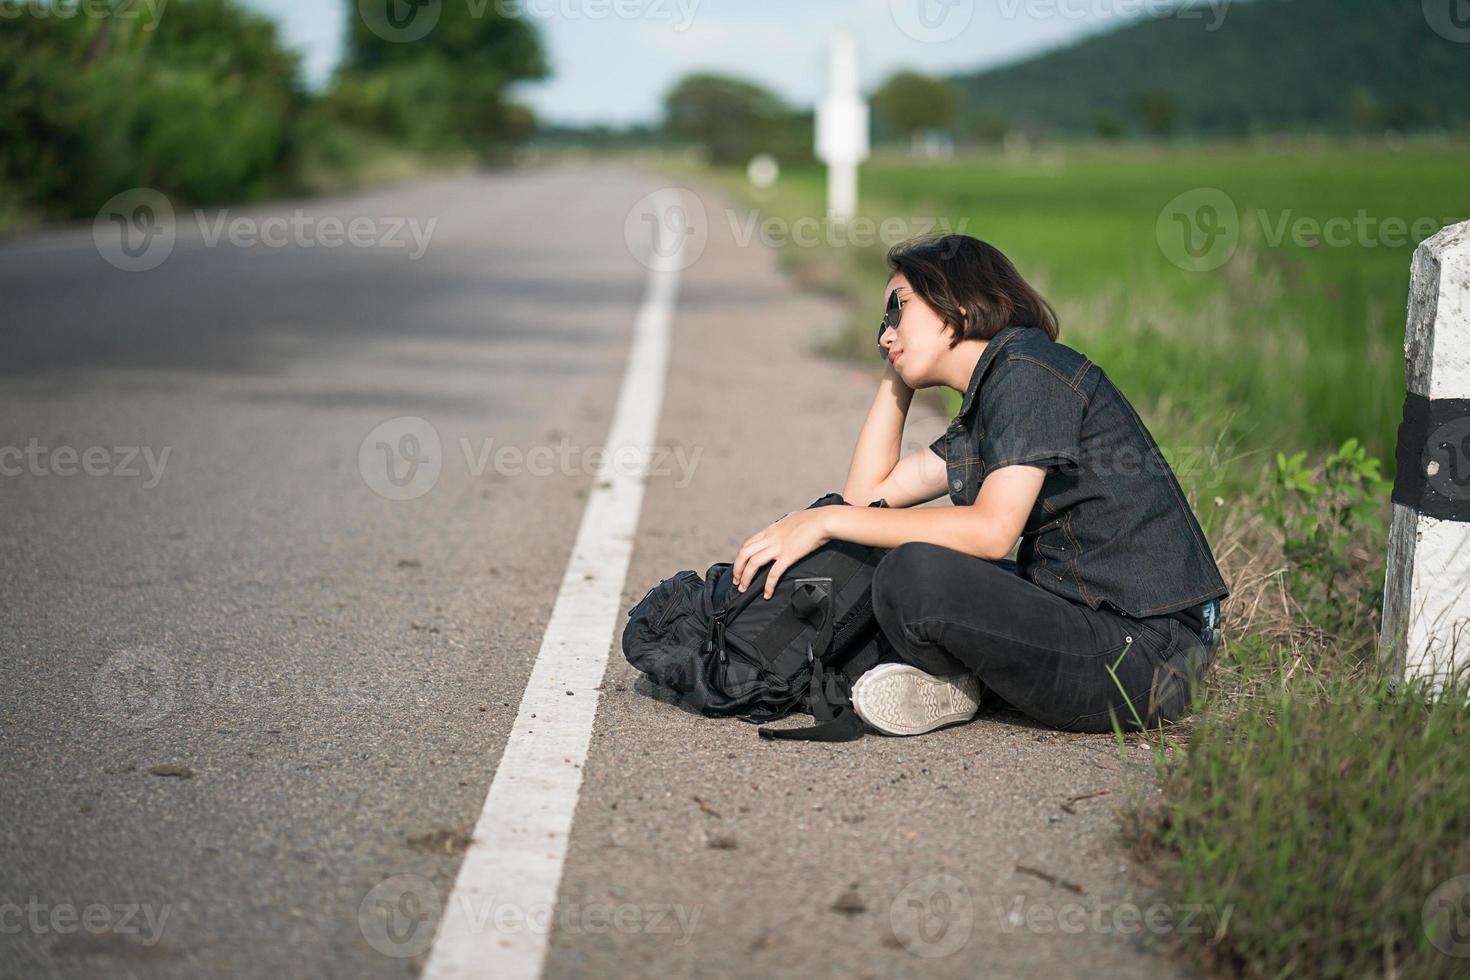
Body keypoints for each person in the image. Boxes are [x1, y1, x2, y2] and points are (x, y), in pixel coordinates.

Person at [730, 234, 1228, 736]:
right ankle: (958, 682)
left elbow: (992, 531)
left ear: (960, 304)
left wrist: (822, 520)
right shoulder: (995, 398)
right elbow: (866, 496)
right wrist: (897, 369)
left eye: (898, 309)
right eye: (882, 322)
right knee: (880, 553)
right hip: (1093, 624)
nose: (885, 333)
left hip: (1150, 656)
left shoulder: (1030, 373)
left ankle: (960, 682)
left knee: (915, 569)